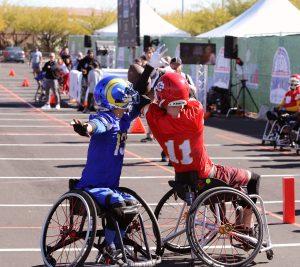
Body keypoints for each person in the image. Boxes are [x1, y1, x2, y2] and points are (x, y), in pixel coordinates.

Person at [141, 72, 260, 232]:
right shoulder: (194, 114)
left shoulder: (154, 120)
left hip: (184, 182)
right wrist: (178, 76)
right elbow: (191, 98)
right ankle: (247, 224)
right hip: (208, 178)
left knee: (213, 185)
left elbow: (147, 101)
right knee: (254, 179)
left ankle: (229, 218)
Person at [71, 75, 151, 259]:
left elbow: (138, 95)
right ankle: (109, 246)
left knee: (131, 203)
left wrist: (149, 69)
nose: (129, 99)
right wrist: (85, 128)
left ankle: (117, 244)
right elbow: (95, 125)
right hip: (93, 186)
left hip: (111, 185)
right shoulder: (106, 118)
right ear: (114, 99)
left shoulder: (123, 118)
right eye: (125, 96)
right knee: (118, 204)